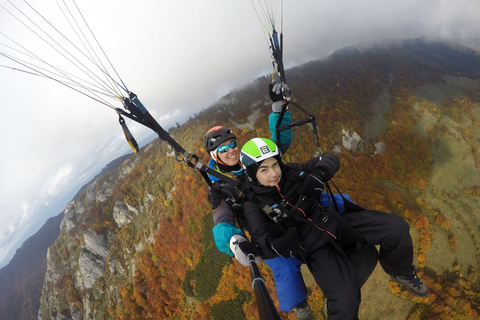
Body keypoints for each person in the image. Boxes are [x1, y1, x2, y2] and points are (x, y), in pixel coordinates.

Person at [239, 137, 429, 320]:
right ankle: (337, 305)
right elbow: (259, 237)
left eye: (275, 165)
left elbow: (329, 158)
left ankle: (400, 270)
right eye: (263, 170)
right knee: (346, 298)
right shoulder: (253, 204)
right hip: (316, 248)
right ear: (251, 174)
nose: (273, 174)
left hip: (336, 222)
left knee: (396, 227)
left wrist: (318, 174)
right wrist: (276, 246)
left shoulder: (289, 171)